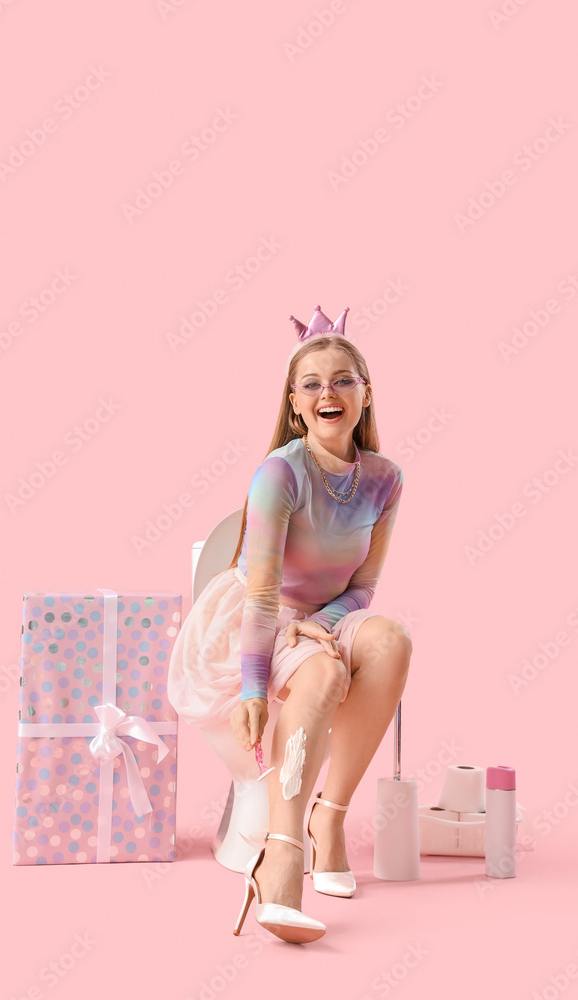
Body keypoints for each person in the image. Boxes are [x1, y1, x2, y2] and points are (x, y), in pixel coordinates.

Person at [167, 305, 412, 944]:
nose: (327, 392)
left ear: (365, 392)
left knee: (391, 639)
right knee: (324, 672)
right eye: (311, 383)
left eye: (341, 379)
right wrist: (253, 689)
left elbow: (362, 588)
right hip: (255, 614)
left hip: (324, 619)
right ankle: (281, 857)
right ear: (295, 403)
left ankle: (328, 820)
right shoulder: (280, 471)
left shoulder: (385, 480)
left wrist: (324, 625)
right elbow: (262, 592)